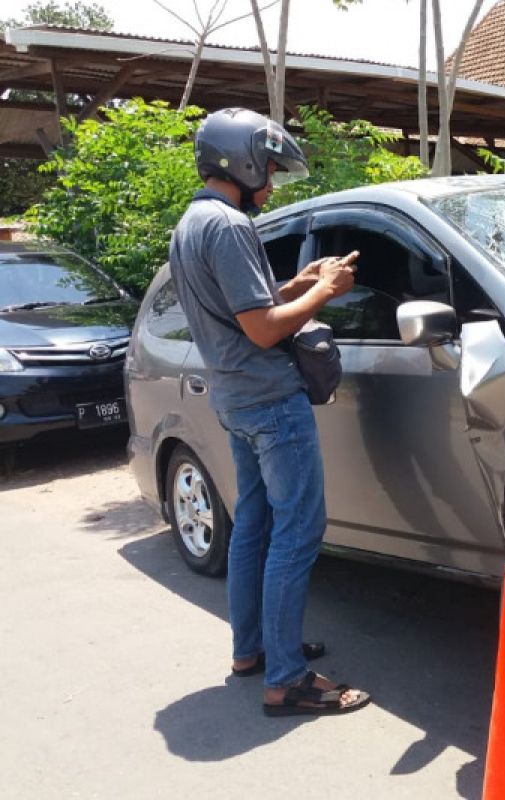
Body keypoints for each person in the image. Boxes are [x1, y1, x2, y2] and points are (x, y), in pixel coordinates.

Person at [170, 107, 369, 716]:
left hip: (235, 399)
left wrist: (296, 282)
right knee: (297, 532)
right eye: (269, 170)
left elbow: (245, 306)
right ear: (243, 160)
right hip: (268, 401)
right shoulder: (228, 226)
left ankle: (252, 649)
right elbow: (260, 331)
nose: (271, 183)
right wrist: (324, 292)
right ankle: (286, 678)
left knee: (253, 526)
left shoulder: (194, 223)